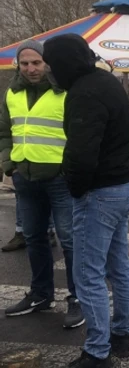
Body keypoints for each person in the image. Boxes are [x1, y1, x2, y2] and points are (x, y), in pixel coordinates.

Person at [43, 34, 129, 368]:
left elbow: (82, 155)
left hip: (100, 193)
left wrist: (75, 187)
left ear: (64, 64)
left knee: (88, 274)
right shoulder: (106, 82)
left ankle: (98, 352)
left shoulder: (83, 93)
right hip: (123, 186)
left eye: (52, 65)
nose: (50, 71)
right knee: (118, 266)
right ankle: (122, 334)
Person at [0, 39, 83, 329]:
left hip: (60, 179)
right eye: (24, 63)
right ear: (18, 66)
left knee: (70, 240)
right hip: (25, 178)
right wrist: (8, 163)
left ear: (46, 63)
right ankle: (40, 294)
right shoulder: (12, 92)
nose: (31, 68)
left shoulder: (64, 91)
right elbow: (4, 131)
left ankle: (78, 297)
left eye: (36, 62)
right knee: (34, 238)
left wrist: (69, 169)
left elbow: (79, 132)